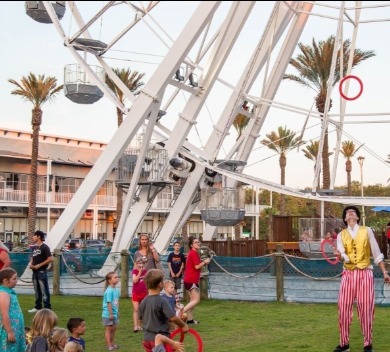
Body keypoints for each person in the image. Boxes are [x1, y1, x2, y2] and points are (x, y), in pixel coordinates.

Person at [333, 206, 390, 352]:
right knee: (343, 307)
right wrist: (339, 256)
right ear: (345, 219)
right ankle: (344, 344)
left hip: (365, 273)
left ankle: (368, 344)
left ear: (358, 217)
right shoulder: (341, 235)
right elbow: (342, 257)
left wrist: (384, 272)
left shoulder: (367, 230)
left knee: (366, 308)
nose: (350, 212)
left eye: (353, 212)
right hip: (348, 273)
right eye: (347, 212)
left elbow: (376, 253)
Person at [139, 269, 188, 352]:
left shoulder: (144, 301)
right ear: (160, 284)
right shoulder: (162, 301)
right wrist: (183, 325)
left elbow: (140, 319)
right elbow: (173, 318)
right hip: (160, 339)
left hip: (147, 339)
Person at [182, 236, 210, 325]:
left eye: (198, 242)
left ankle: (190, 320)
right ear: (191, 245)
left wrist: (203, 261)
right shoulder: (193, 253)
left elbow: (195, 265)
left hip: (189, 279)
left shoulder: (193, 253)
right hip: (191, 280)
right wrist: (205, 262)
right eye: (196, 242)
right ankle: (179, 313)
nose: (198, 243)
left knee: (192, 300)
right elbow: (197, 266)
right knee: (196, 300)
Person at [0, 268, 25, 352]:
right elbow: (4, 314)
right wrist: (9, 332)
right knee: (9, 348)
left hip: (16, 327)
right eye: (14, 279)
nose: (16, 280)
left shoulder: (10, 292)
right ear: (5, 281)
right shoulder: (4, 293)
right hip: (9, 328)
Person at [28, 230, 53, 313]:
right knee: (37, 290)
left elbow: (50, 259)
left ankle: (47, 308)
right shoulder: (34, 247)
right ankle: (38, 307)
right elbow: (32, 257)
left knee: (44, 290)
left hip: (41, 271)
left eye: (34, 235)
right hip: (34, 271)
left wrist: (39, 265)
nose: (33, 237)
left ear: (39, 236)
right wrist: (31, 264)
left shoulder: (45, 247)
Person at [102, 272, 120, 351]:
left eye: (117, 277)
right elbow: (109, 303)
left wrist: (117, 312)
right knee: (109, 329)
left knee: (114, 329)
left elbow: (116, 302)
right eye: (115, 277)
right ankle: (109, 345)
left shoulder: (116, 290)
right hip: (108, 314)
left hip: (114, 313)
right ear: (109, 280)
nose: (117, 279)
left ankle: (112, 343)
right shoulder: (109, 291)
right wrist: (111, 314)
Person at [132, 257, 148, 333]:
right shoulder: (135, 271)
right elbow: (135, 280)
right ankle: (135, 326)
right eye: (139, 263)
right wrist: (139, 272)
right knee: (136, 309)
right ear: (136, 264)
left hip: (144, 293)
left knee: (143, 310)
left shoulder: (146, 271)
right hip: (136, 293)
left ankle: (140, 325)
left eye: (142, 263)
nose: (141, 265)